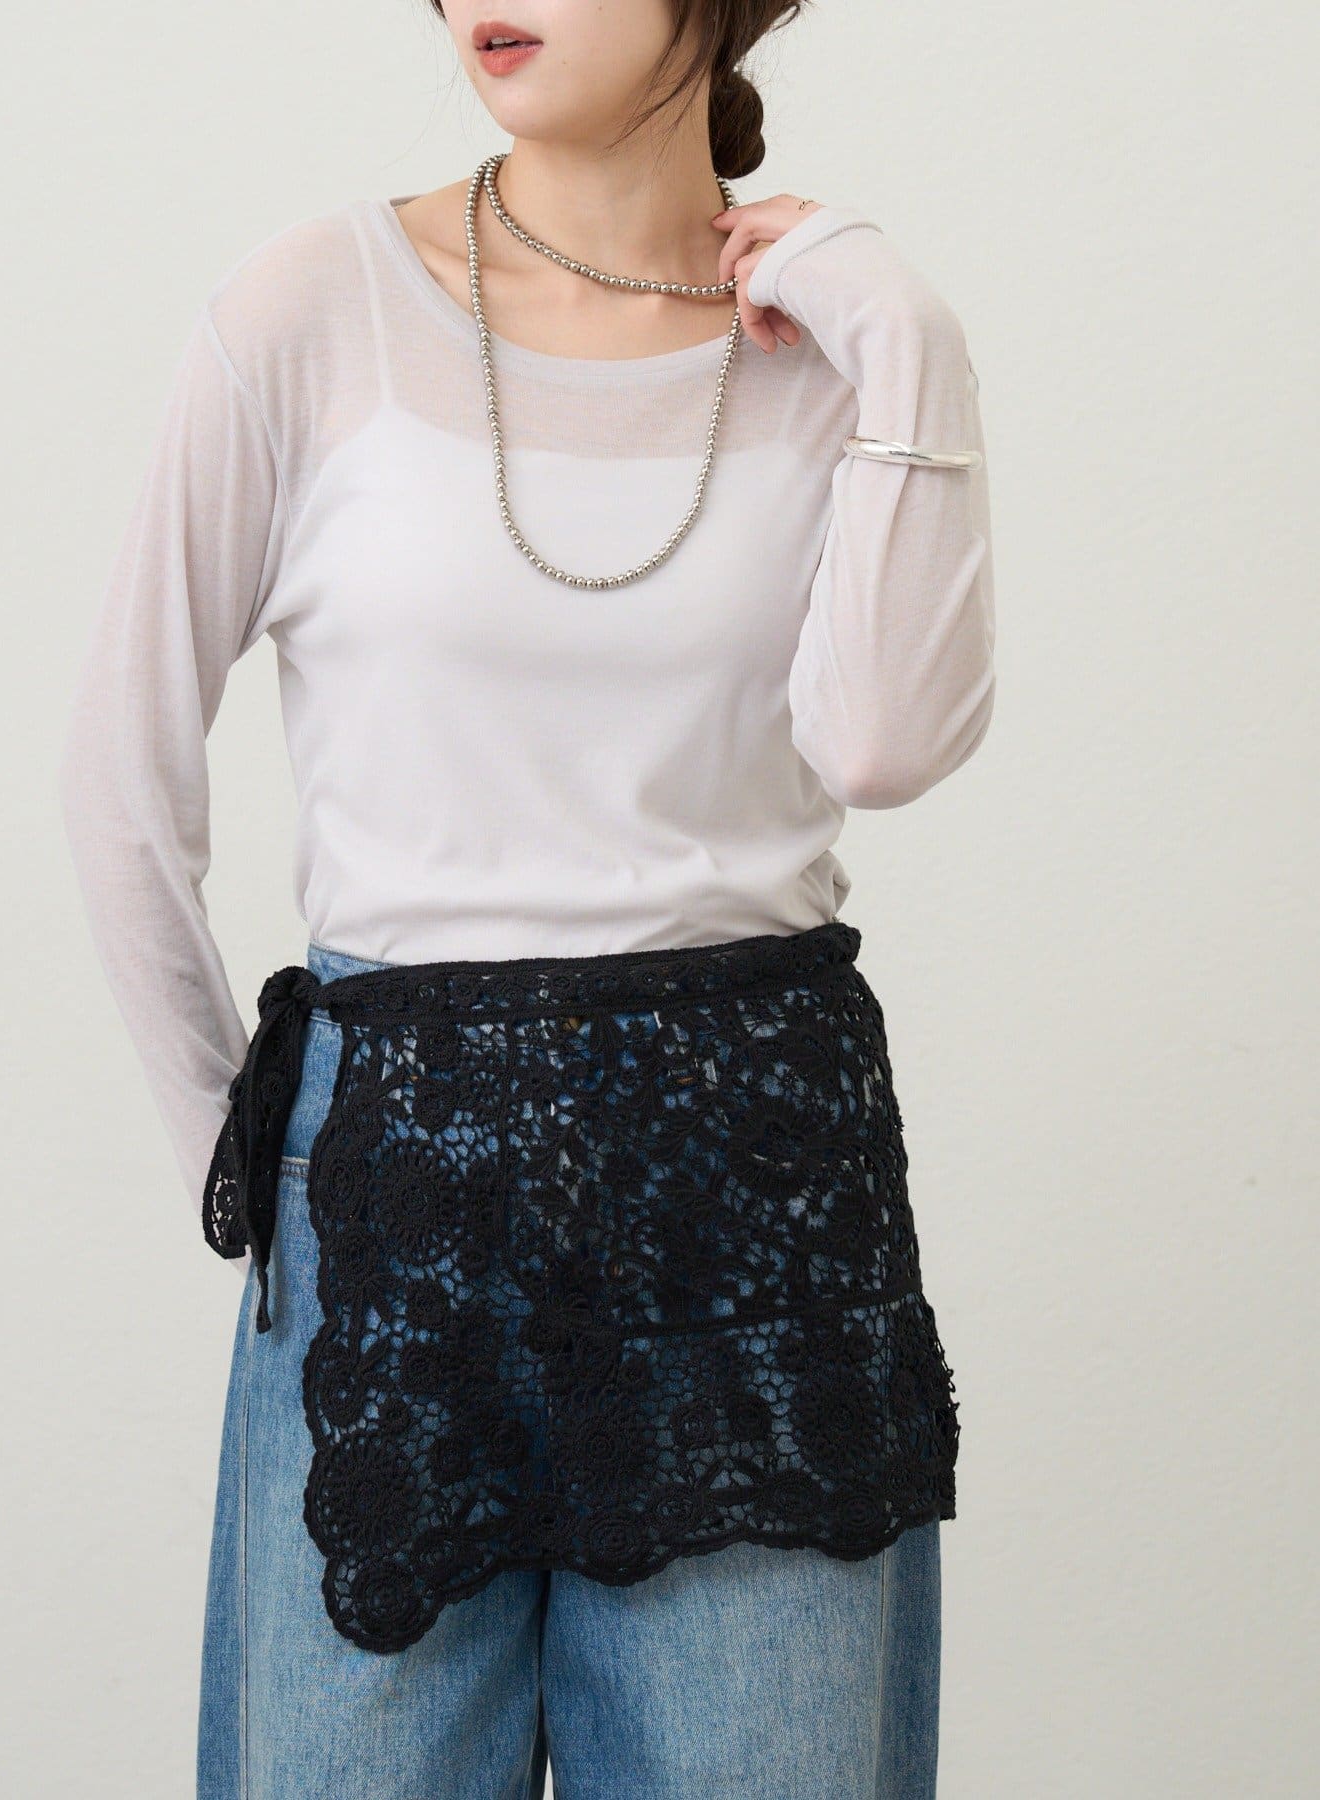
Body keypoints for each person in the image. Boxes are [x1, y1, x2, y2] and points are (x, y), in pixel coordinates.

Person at [58, 2, 995, 1793]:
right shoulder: (309, 309)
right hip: (398, 1195)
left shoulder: (839, 346)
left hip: (754, 1204)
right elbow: (120, 774)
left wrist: (911, 341)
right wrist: (256, 1177)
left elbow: (882, 744)